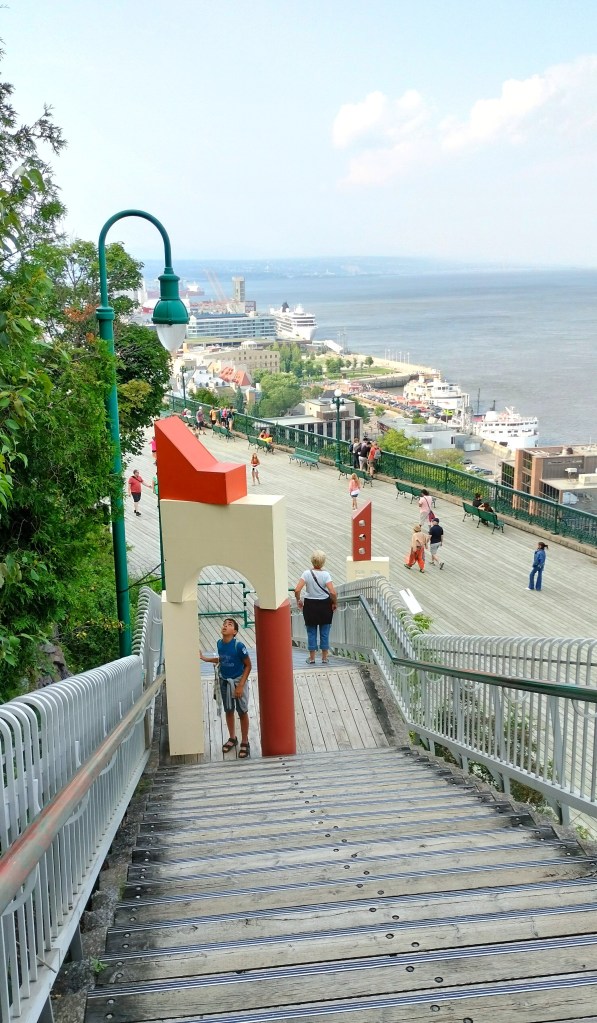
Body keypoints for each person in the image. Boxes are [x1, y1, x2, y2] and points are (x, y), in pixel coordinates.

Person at [200, 618, 252, 759]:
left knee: (242, 711)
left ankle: (245, 741)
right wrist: (205, 659)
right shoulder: (219, 643)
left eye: (229, 625)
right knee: (228, 710)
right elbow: (222, 659)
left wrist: (240, 685)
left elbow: (248, 665)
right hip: (224, 681)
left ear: (234, 632)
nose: (225, 626)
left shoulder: (239, 646)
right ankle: (232, 738)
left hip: (237, 681)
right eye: (224, 624)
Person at [294, 551, 337, 665]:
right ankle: (324, 658)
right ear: (323, 562)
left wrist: (298, 600)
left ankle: (312, 658)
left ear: (312, 560)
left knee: (311, 632)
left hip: (310, 606)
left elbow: (297, 590)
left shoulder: (306, 573)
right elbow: (332, 592)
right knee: (325, 632)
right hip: (325, 606)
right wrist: (334, 602)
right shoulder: (326, 575)